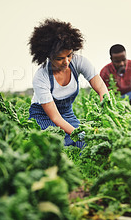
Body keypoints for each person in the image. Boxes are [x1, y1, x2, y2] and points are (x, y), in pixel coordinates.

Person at [28, 18, 109, 149]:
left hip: (66, 113)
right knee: (58, 145)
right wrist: (77, 134)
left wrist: (107, 107)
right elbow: (55, 117)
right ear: (48, 56)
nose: (66, 62)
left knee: (86, 145)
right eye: (60, 58)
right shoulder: (41, 77)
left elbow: (100, 87)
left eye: (69, 55)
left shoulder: (79, 62)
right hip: (43, 115)